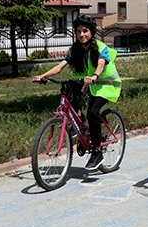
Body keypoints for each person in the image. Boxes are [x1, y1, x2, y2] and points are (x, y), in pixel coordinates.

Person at [34, 14, 122, 170]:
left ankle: (97, 151)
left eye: (85, 31)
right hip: (90, 83)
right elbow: (60, 66)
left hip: (107, 85)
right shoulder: (75, 50)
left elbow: (100, 64)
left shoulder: (101, 47)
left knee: (93, 112)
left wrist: (95, 76)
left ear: (92, 32)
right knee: (67, 87)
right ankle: (80, 126)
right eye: (79, 31)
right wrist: (43, 76)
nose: (82, 34)